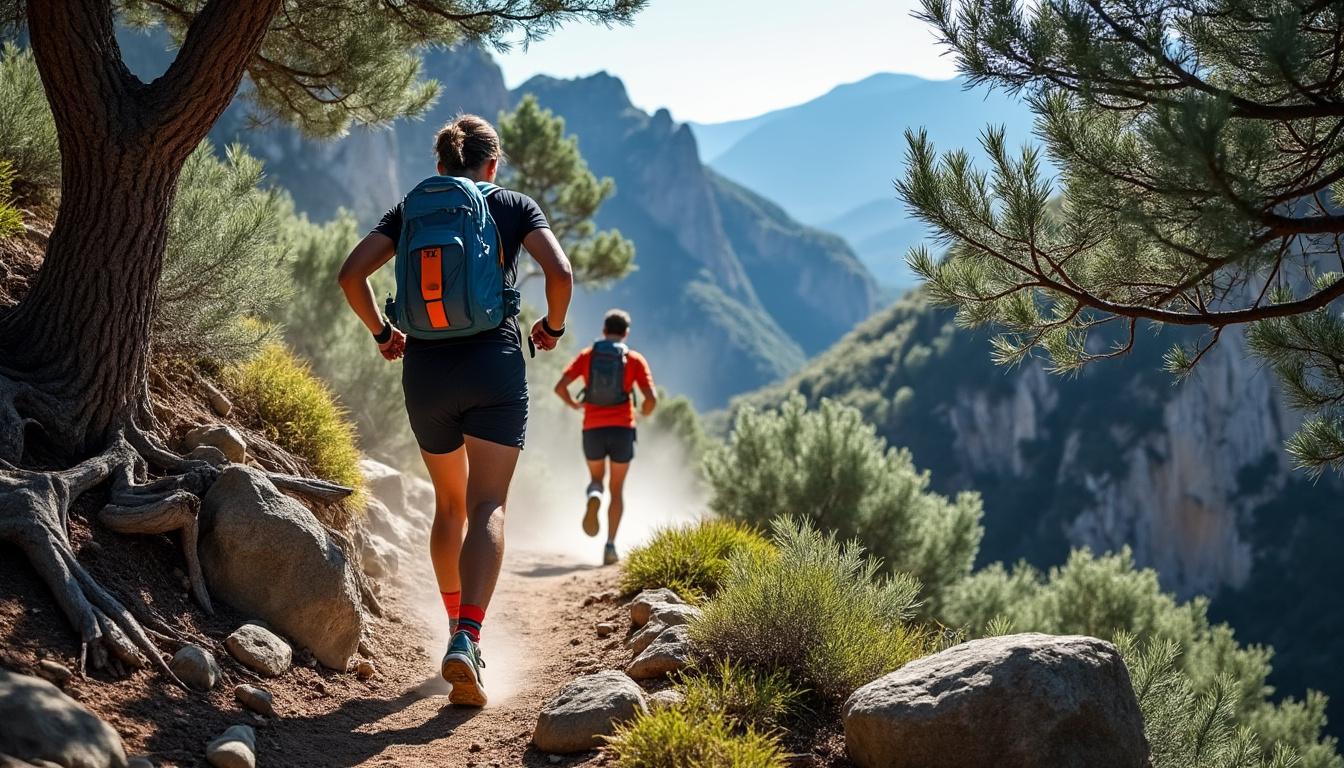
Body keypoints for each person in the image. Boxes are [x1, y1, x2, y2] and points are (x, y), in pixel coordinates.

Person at [337, 114, 573, 708]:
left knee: (448, 503)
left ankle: (452, 629)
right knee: (487, 503)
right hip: (494, 365)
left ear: (441, 166)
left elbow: (350, 275)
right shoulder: (513, 203)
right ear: (492, 165)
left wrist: (383, 333)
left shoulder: (412, 208)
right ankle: (469, 636)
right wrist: (550, 327)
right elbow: (560, 273)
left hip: (427, 370)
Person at [553, 309, 656, 565]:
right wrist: (642, 412)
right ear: (626, 333)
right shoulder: (633, 360)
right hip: (622, 430)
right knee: (617, 489)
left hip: (593, 429)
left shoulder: (588, 356)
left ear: (604, 330)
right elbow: (651, 399)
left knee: (596, 479)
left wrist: (575, 406)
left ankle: (593, 496)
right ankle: (610, 547)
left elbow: (560, 387)